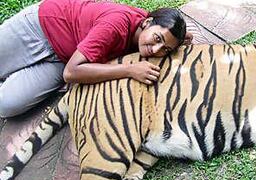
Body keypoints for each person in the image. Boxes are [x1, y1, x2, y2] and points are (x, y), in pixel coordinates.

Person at [0, 0, 193, 118]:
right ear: (147, 22)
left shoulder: (150, 34)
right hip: (40, 26)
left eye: (165, 49)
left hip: (62, 59)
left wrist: (180, 39)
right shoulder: (116, 25)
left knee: (6, 105)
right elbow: (71, 73)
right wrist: (130, 70)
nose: (156, 49)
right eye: (157, 38)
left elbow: (67, 69)